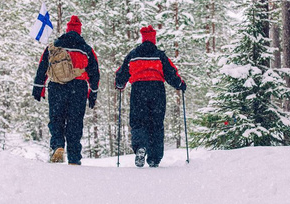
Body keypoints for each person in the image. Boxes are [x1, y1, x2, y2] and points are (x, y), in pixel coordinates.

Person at [115, 25, 186, 168]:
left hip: (138, 90)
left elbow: (122, 72)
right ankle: (154, 158)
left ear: (143, 39)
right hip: (157, 90)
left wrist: (120, 83)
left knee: (138, 121)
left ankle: (140, 146)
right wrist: (180, 84)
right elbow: (171, 72)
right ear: (153, 39)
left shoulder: (133, 54)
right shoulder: (160, 55)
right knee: (156, 123)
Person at [32, 15, 100, 165]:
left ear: (67, 30)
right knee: (75, 122)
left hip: (57, 86)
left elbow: (43, 66)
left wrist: (38, 87)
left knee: (56, 118)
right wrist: (93, 92)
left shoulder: (56, 46)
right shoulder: (86, 49)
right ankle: (74, 156)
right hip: (79, 88)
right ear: (79, 31)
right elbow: (94, 72)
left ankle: (58, 145)